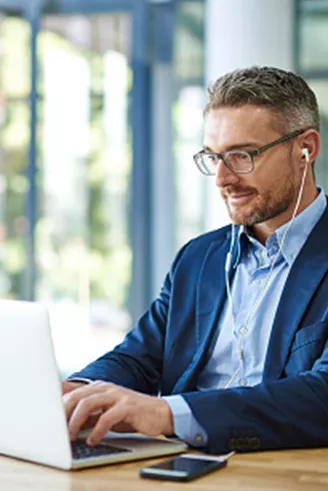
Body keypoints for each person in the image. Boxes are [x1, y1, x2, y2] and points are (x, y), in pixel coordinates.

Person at [63, 66, 328, 454]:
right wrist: (79, 392)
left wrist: (169, 414)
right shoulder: (198, 258)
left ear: (306, 148)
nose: (222, 178)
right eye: (213, 157)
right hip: (180, 466)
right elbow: (139, 357)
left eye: (242, 156)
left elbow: (320, 396)